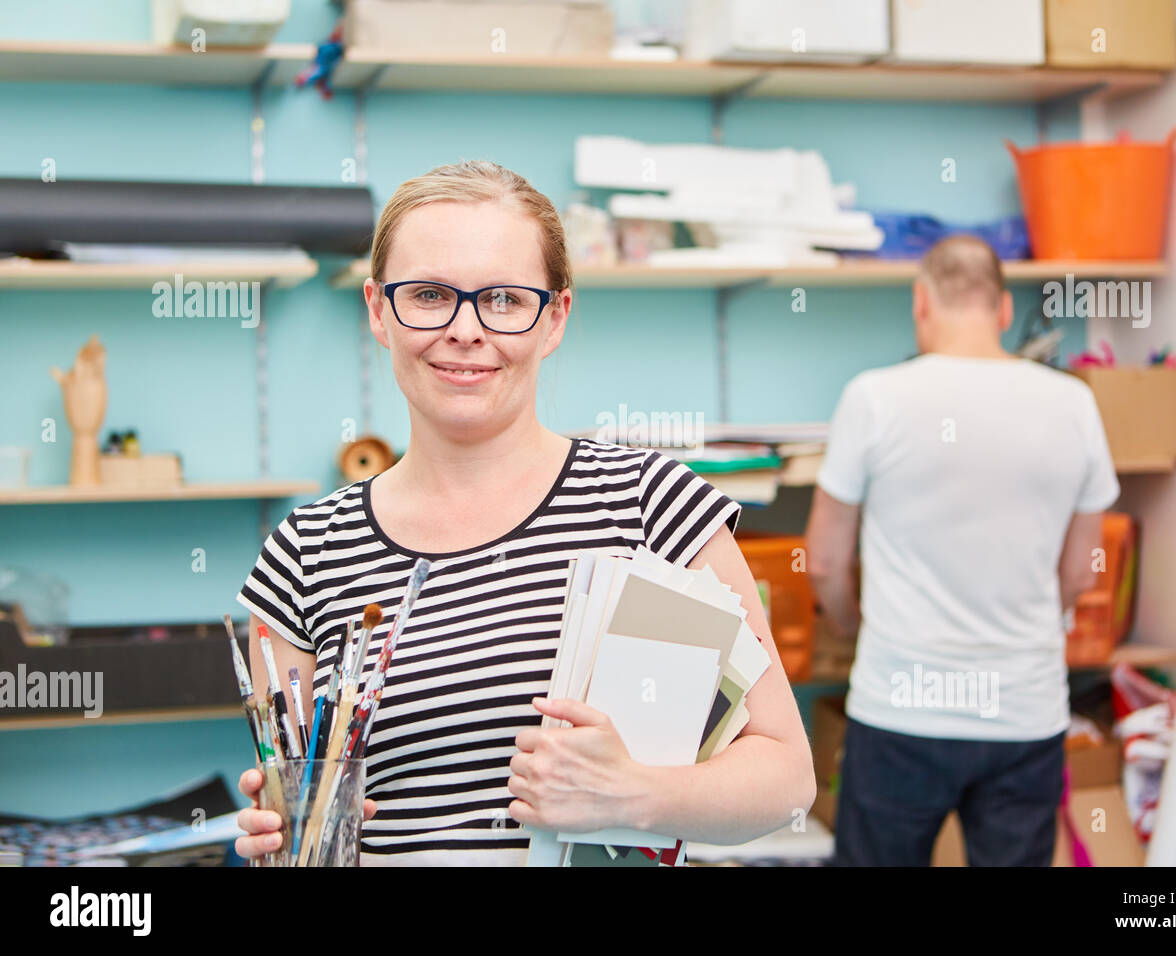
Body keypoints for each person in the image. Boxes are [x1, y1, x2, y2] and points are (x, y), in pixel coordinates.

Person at [233, 160, 815, 865]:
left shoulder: (650, 506)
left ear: (555, 318)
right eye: (428, 295)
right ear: (379, 311)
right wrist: (281, 841)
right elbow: (291, 804)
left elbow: (788, 777)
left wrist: (634, 795)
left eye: (504, 299)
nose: (465, 329)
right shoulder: (306, 550)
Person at [805, 235, 1118, 866]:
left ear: (922, 303)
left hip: (901, 707)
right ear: (1004, 311)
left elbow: (823, 562)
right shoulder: (1074, 403)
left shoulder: (874, 397)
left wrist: (854, 627)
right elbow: (1083, 571)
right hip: (1024, 713)